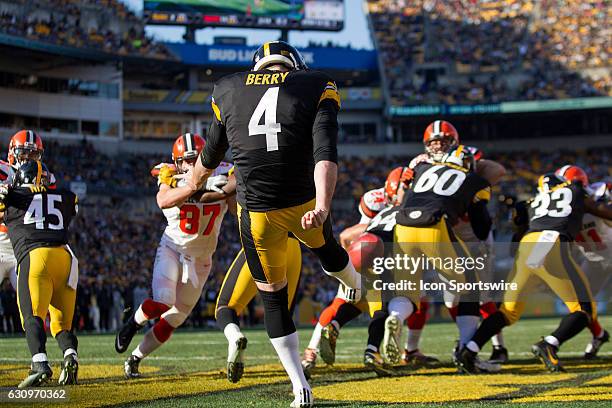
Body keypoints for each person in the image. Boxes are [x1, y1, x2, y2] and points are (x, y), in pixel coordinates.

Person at [188, 41, 362, 407]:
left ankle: (300, 387)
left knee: (273, 301)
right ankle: (356, 286)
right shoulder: (316, 84)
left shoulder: (228, 88)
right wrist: (325, 206)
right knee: (327, 248)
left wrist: (192, 183)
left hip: (258, 213)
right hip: (303, 202)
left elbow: (210, 155)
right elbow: (325, 154)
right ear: (293, 65)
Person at [455, 166, 612, 373]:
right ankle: (550, 344)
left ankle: (469, 351)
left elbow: (514, 245)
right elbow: (600, 210)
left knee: (507, 312)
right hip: (552, 244)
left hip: (527, 247)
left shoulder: (530, 203)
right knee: (584, 310)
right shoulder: (575, 191)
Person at [115, 133, 232, 378]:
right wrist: (198, 187)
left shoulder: (224, 169)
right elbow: (164, 200)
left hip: (202, 258)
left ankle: (135, 357)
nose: (191, 164)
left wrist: (211, 186)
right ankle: (133, 323)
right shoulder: (168, 174)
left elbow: (237, 183)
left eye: (196, 158)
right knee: (164, 300)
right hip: (172, 248)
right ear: (177, 162)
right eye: (186, 160)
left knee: (174, 319)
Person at [0, 160, 79, 387]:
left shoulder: (12, 197)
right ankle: (70, 356)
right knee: (61, 324)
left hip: (36, 256)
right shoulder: (65, 196)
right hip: (65, 259)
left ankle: (40, 363)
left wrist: (12, 193)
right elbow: (73, 203)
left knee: (32, 314)